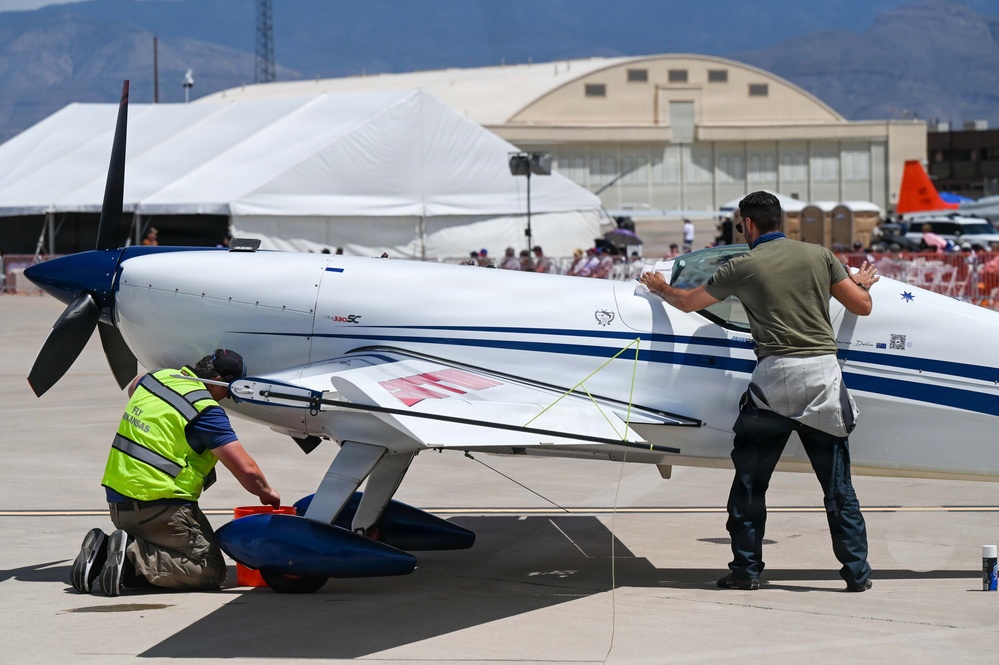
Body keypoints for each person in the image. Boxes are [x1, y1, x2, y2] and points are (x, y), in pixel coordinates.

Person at [640, 191, 878, 593]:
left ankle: (746, 572)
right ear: (779, 221)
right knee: (838, 486)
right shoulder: (819, 255)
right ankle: (857, 573)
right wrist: (859, 283)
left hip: (775, 380)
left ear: (748, 224)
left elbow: (688, 303)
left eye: (740, 225)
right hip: (823, 376)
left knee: (750, 484)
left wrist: (660, 286)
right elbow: (862, 306)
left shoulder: (742, 265)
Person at [70, 349, 280, 596]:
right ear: (218, 381)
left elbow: (133, 387)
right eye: (227, 392)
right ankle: (130, 559)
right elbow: (247, 471)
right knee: (210, 570)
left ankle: (105, 549)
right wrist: (267, 493)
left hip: (118, 506)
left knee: (169, 562)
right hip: (161, 511)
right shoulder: (206, 411)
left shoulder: (156, 378)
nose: (225, 399)